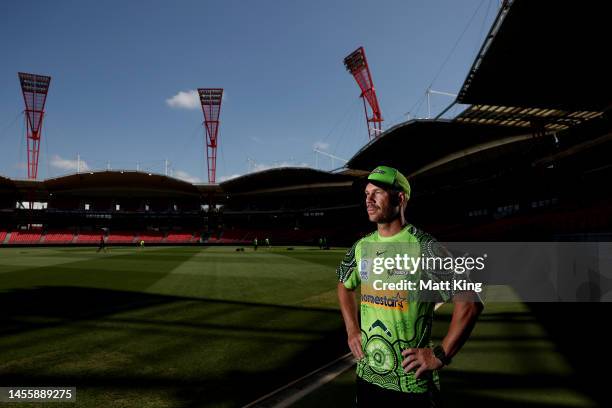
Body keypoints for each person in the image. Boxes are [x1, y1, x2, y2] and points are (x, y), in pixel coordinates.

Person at [337, 165, 483, 406]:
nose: (369, 200)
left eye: (378, 193)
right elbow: (344, 284)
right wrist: (352, 328)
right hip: (367, 377)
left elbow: (470, 302)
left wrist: (440, 354)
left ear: (400, 198)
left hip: (412, 384)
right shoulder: (362, 247)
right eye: (367, 194)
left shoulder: (425, 247)